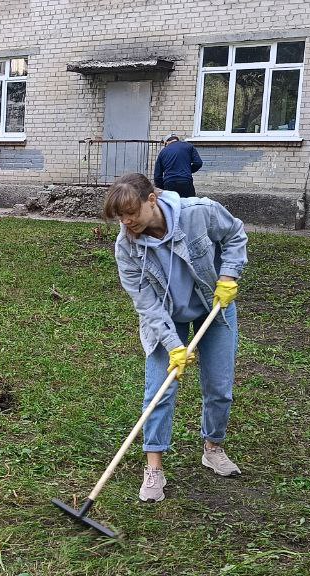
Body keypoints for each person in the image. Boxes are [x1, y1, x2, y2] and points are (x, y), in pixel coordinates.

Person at [102, 172, 247, 503]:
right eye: (120, 217)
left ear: (151, 200)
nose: (126, 222)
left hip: (214, 306)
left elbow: (235, 233)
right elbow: (145, 303)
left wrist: (229, 274)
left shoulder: (198, 212)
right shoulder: (126, 247)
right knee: (159, 391)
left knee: (219, 388)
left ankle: (213, 448)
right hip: (165, 318)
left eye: (131, 213)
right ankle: (154, 468)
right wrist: (173, 346)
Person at [153, 134, 203, 198]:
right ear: (177, 139)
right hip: (186, 181)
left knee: (171, 206)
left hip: (169, 183)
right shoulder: (189, 146)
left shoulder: (163, 152)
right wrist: (188, 171)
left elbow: (157, 175)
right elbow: (198, 163)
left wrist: (162, 188)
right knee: (189, 205)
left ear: (166, 142)